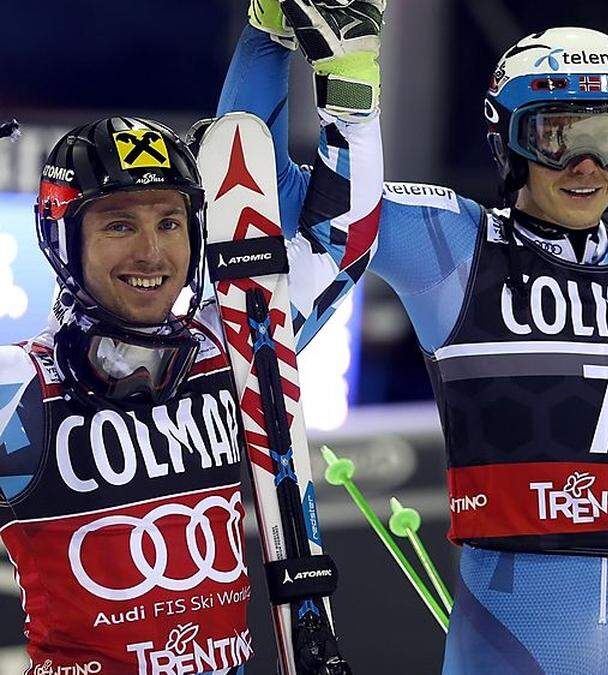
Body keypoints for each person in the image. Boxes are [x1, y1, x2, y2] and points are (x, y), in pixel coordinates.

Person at [222, 2, 608, 671]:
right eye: (557, 137)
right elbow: (256, 191)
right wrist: (266, 35)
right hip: (506, 641)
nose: (587, 165)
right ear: (507, 138)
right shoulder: (454, 246)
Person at [0, 40, 381, 675]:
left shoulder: (235, 344)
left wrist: (352, 101)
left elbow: (346, 243)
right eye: (119, 225)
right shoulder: (19, 386)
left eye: (170, 223)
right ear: (61, 238)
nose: (152, 254)